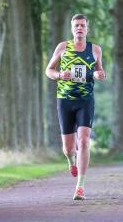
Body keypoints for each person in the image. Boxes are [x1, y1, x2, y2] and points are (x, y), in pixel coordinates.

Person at [45, 14, 106, 200]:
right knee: (68, 148)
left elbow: (99, 71)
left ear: (87, 29)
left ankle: (80, 186)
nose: (79, 28)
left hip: (85, 100)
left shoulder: (95, 49)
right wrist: (58, 75)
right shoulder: (63, 47)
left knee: (85, 141)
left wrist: (99, 75)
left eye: (82, 25)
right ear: (72, 29)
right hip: (65, 100)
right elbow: (48, 70)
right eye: (76, 26)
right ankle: (71, 161)